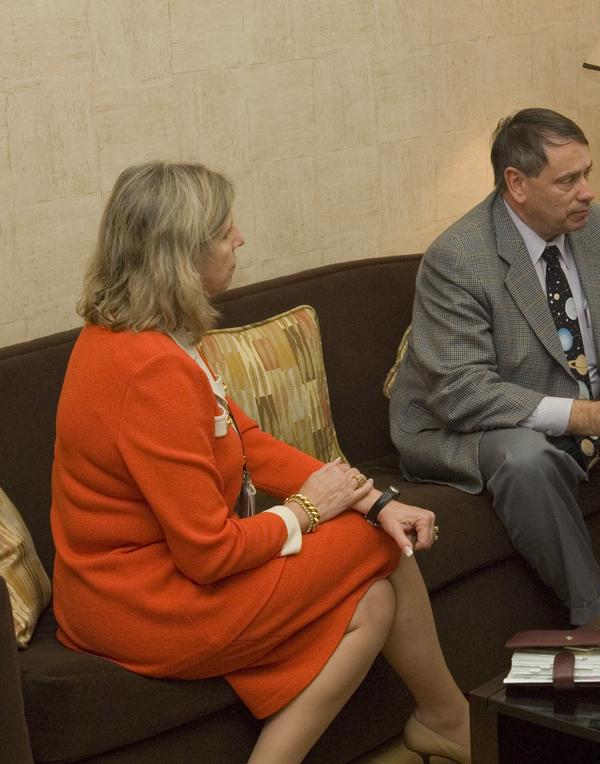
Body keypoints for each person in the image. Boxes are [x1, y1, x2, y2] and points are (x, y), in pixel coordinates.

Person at [51, 161, 471, 764]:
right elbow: (209, 553)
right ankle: (447, 718)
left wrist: (374, 499)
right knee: (374, 543)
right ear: (182, 256)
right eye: (225, 233)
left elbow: (245, 441)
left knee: (374, 601)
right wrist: (307, 511)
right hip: (142, 605)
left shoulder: (137, 333)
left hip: (125, 590)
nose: (240, 239)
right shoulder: (151, 371)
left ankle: (441, 720)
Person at [389, 107, 600, 625]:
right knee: (526, 458)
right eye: (568, 181)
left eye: (586, 174)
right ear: (517, 184)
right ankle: (596, 618)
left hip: (590, 408)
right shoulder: (459, 259)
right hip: (482, 426)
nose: (587, 192)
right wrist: (585, 416)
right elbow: (460, 391)